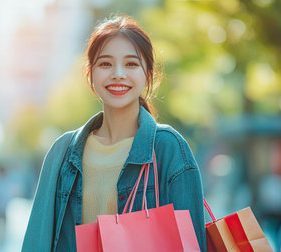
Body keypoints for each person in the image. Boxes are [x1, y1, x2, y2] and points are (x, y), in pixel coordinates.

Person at [23, 14, 206, 251]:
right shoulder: (63, 152)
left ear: (148, 74)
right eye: (105, 64)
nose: (118, 73)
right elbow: (38, 241)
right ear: (90, 74)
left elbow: (192, 245)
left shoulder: (168, 149)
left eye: (131, 64)